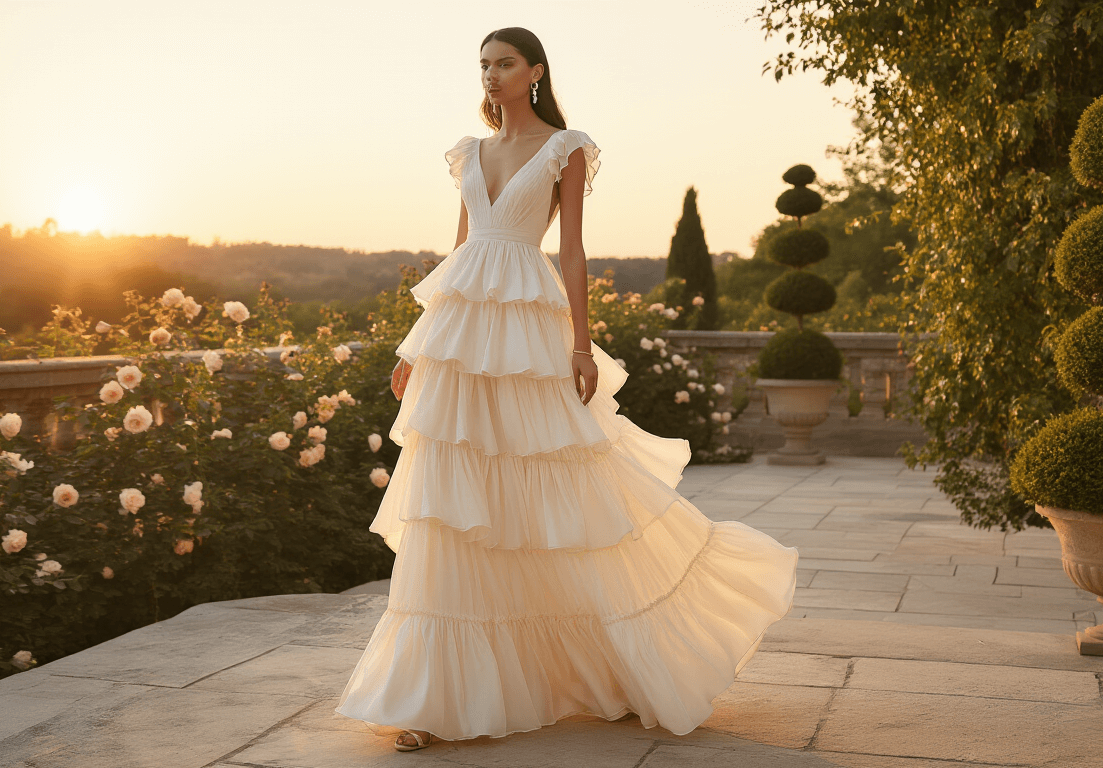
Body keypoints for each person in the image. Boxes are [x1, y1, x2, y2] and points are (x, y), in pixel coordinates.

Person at [333, 27, 799, 753]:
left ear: (535, 71)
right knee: (451, 507)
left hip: (528, 331)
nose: (491, 75)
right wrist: (417, 349)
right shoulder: (469, 151)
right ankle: (429, 699)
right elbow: (460, 252)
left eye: (505, 64)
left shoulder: (565, 147)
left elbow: (573, 249)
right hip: (461, 339)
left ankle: (612, 670)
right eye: (483, 64)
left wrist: (580, 346)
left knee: (556, 496)